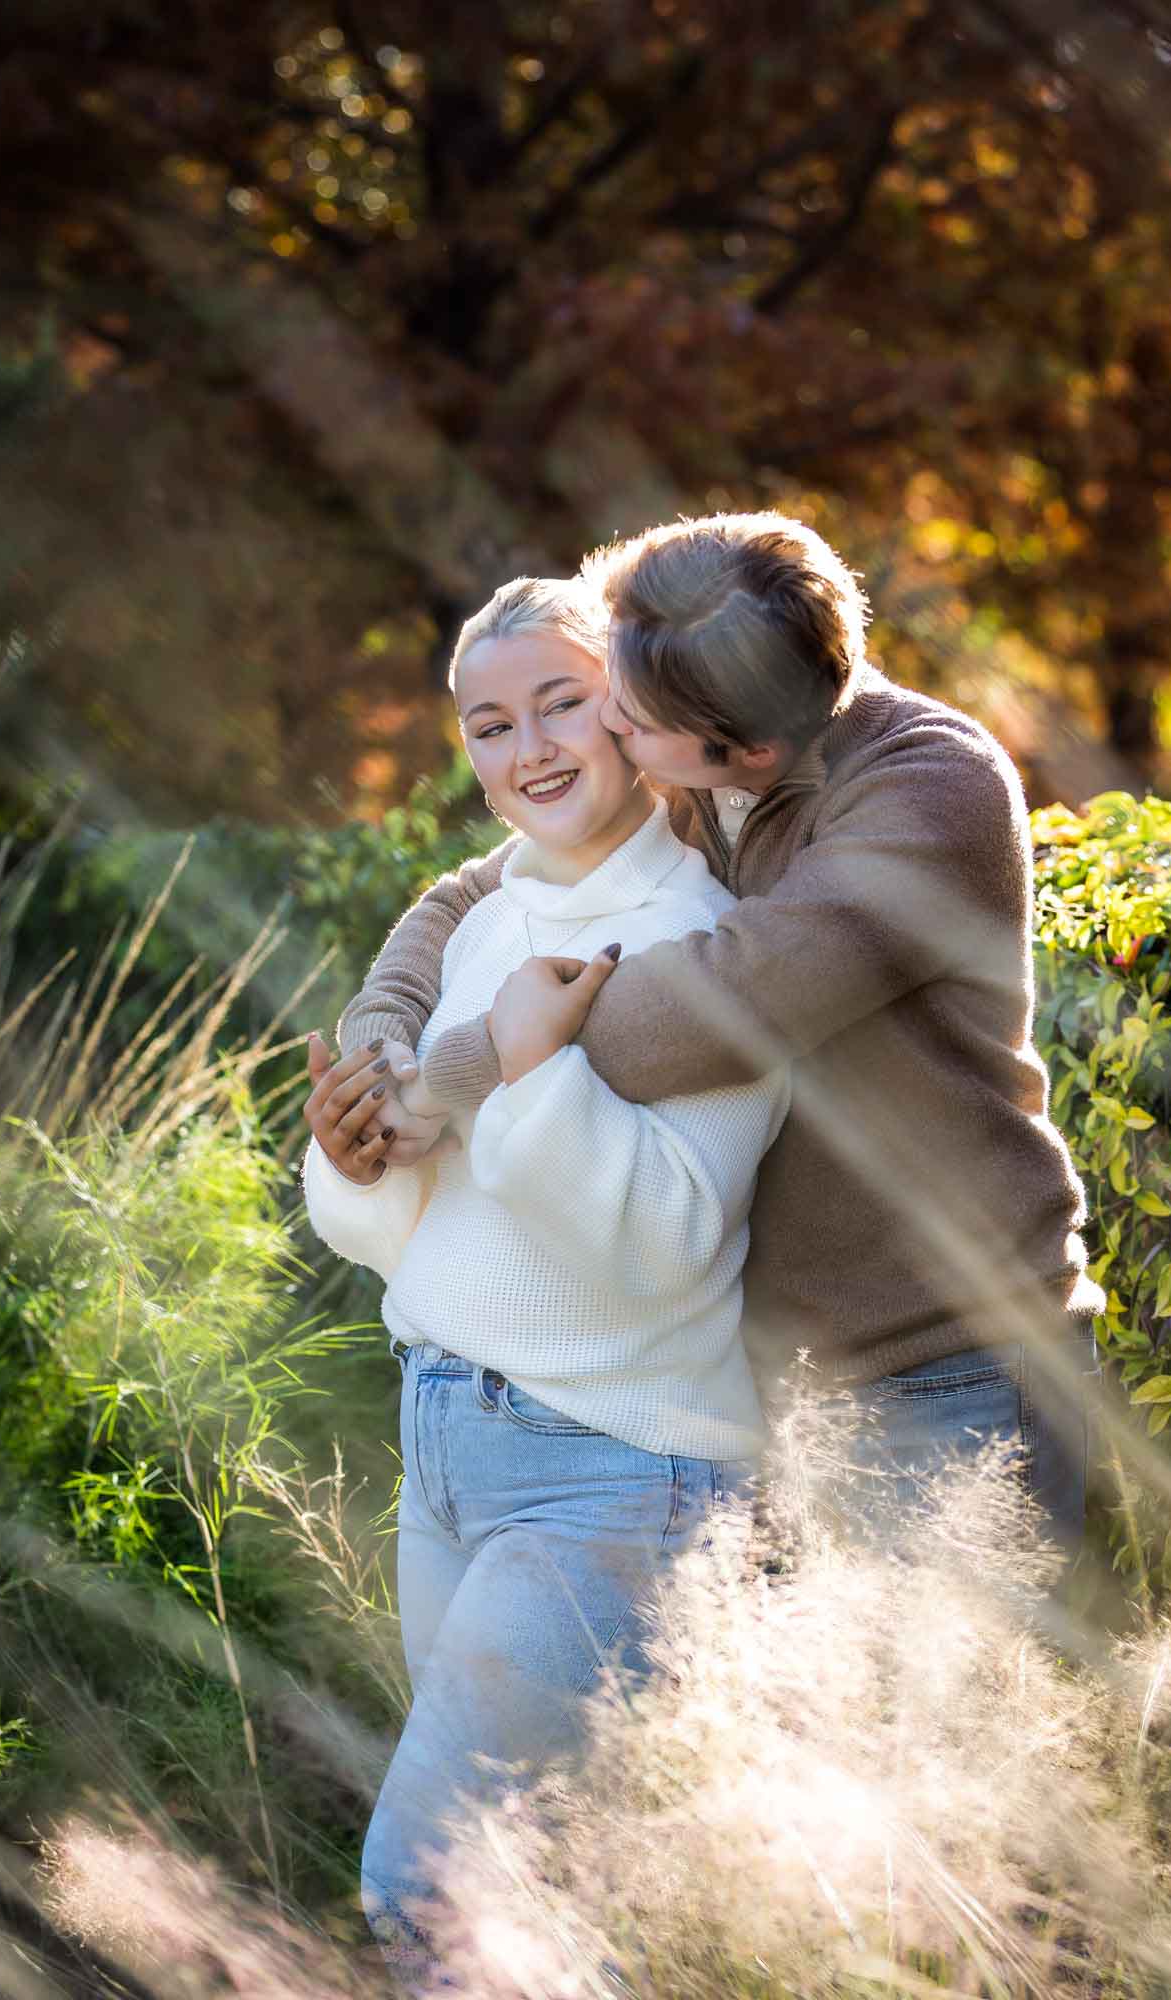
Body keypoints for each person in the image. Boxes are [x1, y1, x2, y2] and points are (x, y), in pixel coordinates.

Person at [327, 512, 1105, 1554]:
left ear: (752, 748)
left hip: (949, 1359)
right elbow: (466, 892)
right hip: (769, 1379)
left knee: (992, 1707)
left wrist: (464, 1070)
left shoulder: (930, 785)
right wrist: (383, 1048)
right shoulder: (702, 759)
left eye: (630, 719)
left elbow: (722, 1003)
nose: (608, 725)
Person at [301, 574, 787, 1991]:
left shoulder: (703, 936)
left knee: (422, 1887)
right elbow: (413, 1234)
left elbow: (661, 1242)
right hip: (443, 1445)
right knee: (529, 1882)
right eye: (487, 723)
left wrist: (529, 1073)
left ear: (630, 706)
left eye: (561, 703)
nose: (528, 749)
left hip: (611, 1469)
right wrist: (356, 1161)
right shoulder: (477, 925)